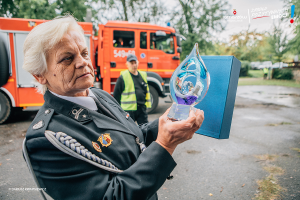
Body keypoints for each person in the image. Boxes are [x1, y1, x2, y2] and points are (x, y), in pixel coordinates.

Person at [23, 15, 204, 200]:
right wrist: (165, 145)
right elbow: (109, 196)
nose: (83, 62)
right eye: (67, 58)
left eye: (84, 53)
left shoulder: (97, 94)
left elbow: (132, 138)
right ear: (39, 75)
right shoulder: (46, 138)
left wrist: (165, 122)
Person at [114, 54, 150, 125]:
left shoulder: (143, 75)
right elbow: (116, 95)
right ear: (127, 64)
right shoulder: (123, 77)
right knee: (130, 132)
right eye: (131, 63)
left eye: (135, 63)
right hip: (129, 110)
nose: (134, 65)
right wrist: (119, 111)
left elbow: (145, 91)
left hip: (141, 109)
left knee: (145, 130)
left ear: (138, 63)